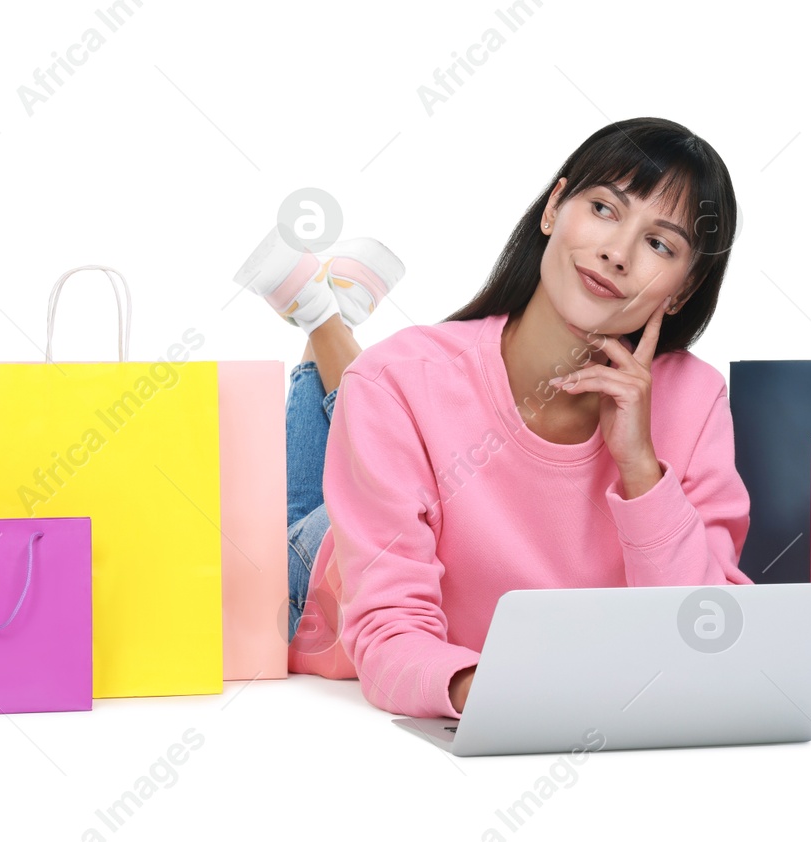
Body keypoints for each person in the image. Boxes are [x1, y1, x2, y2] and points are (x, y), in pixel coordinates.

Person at [239, 116, 752, 721]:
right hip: (320, 578)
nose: (617, 252)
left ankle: (325, 314)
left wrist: (642, 469)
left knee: (371, 387)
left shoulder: (695, 400)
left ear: (682, 292)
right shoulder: (401, 378)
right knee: (339, 441)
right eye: (604, 209)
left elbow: (707, 636)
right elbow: (389, 631)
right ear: (553, 207)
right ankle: (324, 320)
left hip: (395, 466)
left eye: (660, 244)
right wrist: (489, 691)